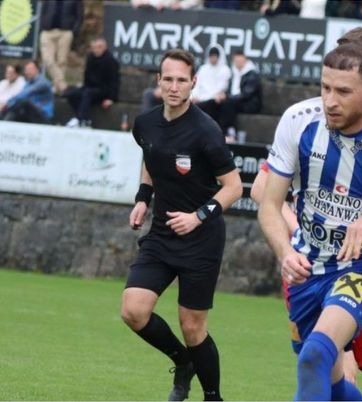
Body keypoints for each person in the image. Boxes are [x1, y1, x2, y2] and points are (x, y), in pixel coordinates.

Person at [252, 27, 362, 401]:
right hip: (307, 267)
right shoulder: (298, 120)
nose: (330, 100)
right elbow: (267, 202)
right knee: (329, 382)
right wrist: (285, 253)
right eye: (325, 88)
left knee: (317, 357)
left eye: (343, 91)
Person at [121, 49, 242, 402]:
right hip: (161, 234)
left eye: (181, 80)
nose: (174, 87)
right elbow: (151, 157)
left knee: (193, 326)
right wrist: (143, 198)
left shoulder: (206, 130)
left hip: (201, 239)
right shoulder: (145, 123)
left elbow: (234, 187)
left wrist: (198, 217)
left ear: (193, 83)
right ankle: (182, 362)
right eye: (168, 79)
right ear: (158, 81)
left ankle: (212, 396)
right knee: (133, 310)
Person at [63, 37, 120, 128]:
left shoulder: (111, 61)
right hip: (90, 88)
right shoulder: (90, 58)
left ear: (104, 47)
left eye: (99, 47)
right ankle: (82, 118)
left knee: (87, 93)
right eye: (95, 47)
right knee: (70, 93)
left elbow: (114, 81)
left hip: (103, 90)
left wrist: (111, 98)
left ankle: (81, 120)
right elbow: (87, 76)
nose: (96, 50)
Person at [38, 0, 83, 94]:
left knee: (62, 61)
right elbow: (43, 11)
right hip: (48, 31)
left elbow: (79, 15)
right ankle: (63, 86)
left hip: (65, 31)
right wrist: (42, 26)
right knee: (47, 59)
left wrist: (74, 31)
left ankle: (56, 88)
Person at [217, 51, 262, 141]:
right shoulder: (233, 73)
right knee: (217, 103)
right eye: (236, 61)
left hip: (250, 104)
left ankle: (230, 133)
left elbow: (246, 94)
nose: (238, 63)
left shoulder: (252, 74)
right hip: (236, 101)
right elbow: (229, 90)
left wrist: (228, 98)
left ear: (245, 61)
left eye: (240, 61)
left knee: (228, 103)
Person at [191, 45, 231, 123]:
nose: (212, 58)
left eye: (214, 56)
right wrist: (194, 95)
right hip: (200, 98)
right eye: (211, 56)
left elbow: (223, 87)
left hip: (214, 99)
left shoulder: (225, 70)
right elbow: (197, 84)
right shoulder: (203, 68)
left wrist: (213, 96)